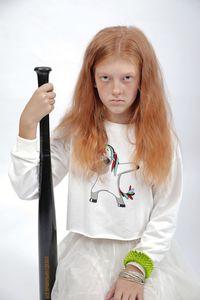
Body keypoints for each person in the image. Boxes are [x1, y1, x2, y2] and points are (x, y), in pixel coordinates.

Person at [9, 26, 200, 300]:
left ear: (143, 79)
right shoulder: (76, 132)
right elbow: (30, 189)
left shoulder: (161, 138)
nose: (116, 89)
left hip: (144, 252)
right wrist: (27, 125)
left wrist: (134, 271)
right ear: (93, 80)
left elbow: (165, 211)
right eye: (106, 77)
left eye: (127, 77)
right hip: (86, 258)